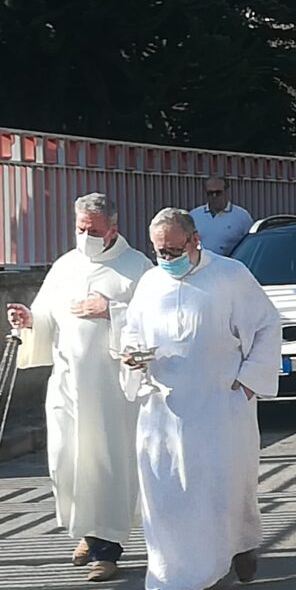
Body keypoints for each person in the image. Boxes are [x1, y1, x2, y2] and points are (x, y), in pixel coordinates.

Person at [121, 208, 281, 590]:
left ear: (195, 240)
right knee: (166, 493)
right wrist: (131, 356)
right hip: (163, 409)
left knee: (221, 490)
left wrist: (247, 382)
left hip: (220, 406)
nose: (167, 260)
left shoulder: (230, 275)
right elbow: (131, 331)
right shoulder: (149, 283)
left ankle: (229, 556)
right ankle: (168, 571)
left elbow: (267, 325)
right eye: (160, 252)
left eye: (174, 250)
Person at [5, 194, 152, 582]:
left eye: (93, 230)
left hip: (110, 391)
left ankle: (108, 549)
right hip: (69, 386)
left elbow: (152, 323)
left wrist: (112, 311)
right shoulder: (65, 266)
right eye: (80, 228)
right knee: (68, 462)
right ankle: (88, 531)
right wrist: (29, 318)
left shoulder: (136, 268)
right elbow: (48, 318)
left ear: (113, 228)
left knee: (105, 465)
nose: (85, 235)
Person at [189, 176, 253, 256]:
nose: (214, 196)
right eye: (210, 193)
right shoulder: (194, 215)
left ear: (226, 192)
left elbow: (250, 246)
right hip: (201, 265)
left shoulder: (242, 216)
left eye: (218, 193)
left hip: (230, 265)